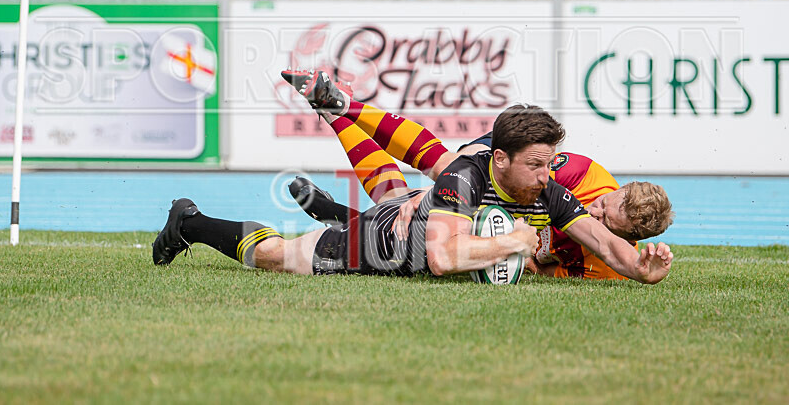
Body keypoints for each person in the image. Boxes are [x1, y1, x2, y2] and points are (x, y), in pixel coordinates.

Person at [153, 100, 673, 285]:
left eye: (549, 163)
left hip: (415, 227)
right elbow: (442, 259)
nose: (547, 175)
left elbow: (605, 244)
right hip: (384, 244)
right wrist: (514, 243)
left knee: (390, 198)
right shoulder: (465, 176)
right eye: (536, 164)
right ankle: (189, 221)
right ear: (501, 159)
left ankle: (328, 207)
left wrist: (641, 269)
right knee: (278, 257)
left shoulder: (548, 191)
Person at [283, 69, 674, 280]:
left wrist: (521, 257)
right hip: (502, 163)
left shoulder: (607, 268)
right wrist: (433, 193)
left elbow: (549, 269)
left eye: (607, 221)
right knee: (438, 167)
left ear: (629, 237)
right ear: (615, 189)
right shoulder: (578, 174)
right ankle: (344, 107)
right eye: (604, 204)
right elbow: (477, 166)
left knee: (393, 204)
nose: (595, 212)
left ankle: (334, 135)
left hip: (499, 218)